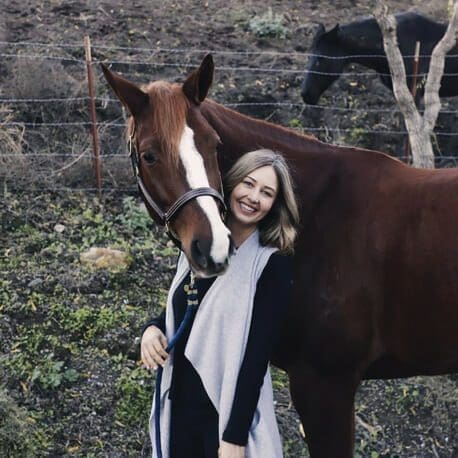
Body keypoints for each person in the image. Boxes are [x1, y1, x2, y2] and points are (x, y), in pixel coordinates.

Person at [140, 148, 300, 458]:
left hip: (223, 413)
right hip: (179, 404)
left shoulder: (272, 265)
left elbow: (255, 358)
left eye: (266, 193)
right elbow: (186, 307)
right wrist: (152, 328)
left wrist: (233, 437)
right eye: (248, 184)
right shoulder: (200, 244)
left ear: (275, 205)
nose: (254, 197)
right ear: (232, 183)